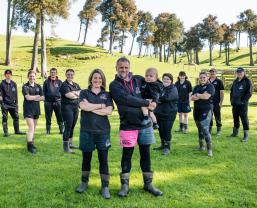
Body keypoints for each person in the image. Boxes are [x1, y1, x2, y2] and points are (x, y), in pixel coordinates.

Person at [110, 57, 163, 197]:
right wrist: (146, 102)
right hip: (128, 125)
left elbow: (155, 86)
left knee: (146, 154)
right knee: (127, 155)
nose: (124, 70)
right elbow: (125, 99)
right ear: (116, 67)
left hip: (145, 125)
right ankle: (124, 186)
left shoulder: (139, 79)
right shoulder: (114, 85)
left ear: (129, 67)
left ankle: (148, 184)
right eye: (121, 67)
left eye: (126, 67)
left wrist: (155, 101)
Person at [75, 69, 113, 199]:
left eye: (100, 78)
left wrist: (91, 107)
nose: (97, 80)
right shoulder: (84, 92)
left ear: (102, 80)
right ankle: (84, 182)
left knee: (103, 159)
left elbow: (109, 111)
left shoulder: (107, 95)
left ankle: (105, 186)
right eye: (95, 78)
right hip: (87, 131)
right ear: (91, 79)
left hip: (103, 132)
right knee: (86, 158)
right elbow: (83, 107)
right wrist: (100, 106)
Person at [191, 72, 215, 157]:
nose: (202, 79)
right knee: (199, 129)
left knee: (205, 129)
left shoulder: (210, 86)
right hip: (196, 110)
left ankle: (209, 149)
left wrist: (198, 95)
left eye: (204, 77)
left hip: (206, 110)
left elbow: (206, 97)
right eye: (201, 77)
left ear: (207, 78)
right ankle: (201, 146)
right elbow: (192, 98)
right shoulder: (196, 87)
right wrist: (200, 95)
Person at [154, 73, 179, 155]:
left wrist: (157, 98)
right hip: (159, 113)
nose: (166, 80)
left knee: (166, 130)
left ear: (171, 80)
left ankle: (167, 147)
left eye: (168, 79)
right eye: (164, 78)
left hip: (169, 113)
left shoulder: (173, 89)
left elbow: (167, 98)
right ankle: (162, 144)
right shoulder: (162, 88)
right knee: (160, 129)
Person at [22, 70, 44, 153]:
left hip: (36, 109)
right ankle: (29, 146)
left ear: (35, 77)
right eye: (30, 76)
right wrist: (37, 96)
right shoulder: (25, 86)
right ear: (28, 77)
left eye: (33, 76)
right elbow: (27, 98)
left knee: (33, 128)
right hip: (28, 109)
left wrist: (34, 97)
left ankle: (32, 143)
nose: (32, 78)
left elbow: (43, 97)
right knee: (31, 127)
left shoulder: (38, 86)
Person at [59, 69, 81, 153]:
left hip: (75, 107)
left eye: (71, 74)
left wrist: (74, 93)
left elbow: (81, 93)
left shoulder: (76, 84)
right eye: (68, 74)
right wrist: (76, 94)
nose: (70, 76)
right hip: (67, 108)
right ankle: (66, 147)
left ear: (73, 75)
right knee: (68, 127)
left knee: (72, 126)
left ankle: (70, 143)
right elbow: (69, 95)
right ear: (66, 75)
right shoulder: (64, 85)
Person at [0, 69, 25, 137]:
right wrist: (2, 104)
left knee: (16, 117)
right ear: (5, 75)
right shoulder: (2, 84)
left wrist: (16, 104)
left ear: (11, 75)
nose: (8, 75)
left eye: (9, 74)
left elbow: (16, 95)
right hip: (5, 104)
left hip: (13, 104)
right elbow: (0, 95)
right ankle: (6, 132)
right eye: (7, 74)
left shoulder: (14, 84)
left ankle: (17, 131)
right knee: (5, 118)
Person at [229, 67, 253, 142]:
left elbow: (249, 92)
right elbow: (232, 91)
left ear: (244, 72)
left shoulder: (247, 81)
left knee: (244, 119)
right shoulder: (235, 81)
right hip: (235, 104)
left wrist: (244, 101)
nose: (239, 73)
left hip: (242, 105)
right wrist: (231, 100)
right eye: (238, 72)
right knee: (235, 118)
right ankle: (235, 133)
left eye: (240, 72)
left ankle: (246, 136)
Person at [43, 68, 64, 135]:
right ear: (50, 73)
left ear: (56, 73)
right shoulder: (46, 82)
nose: (53, 73)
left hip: (58, 102)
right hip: (48, 102)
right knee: (48, 117)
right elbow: (43, 91)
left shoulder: (60, 82)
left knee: (60, 116)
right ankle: (48, 131)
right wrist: (44, 100)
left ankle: (61, 130)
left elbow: (63, 92)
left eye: (54, 72)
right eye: (51, 72)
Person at [209, 68, 224, 135]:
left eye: (213, 73)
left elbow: (222, 92)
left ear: (216, 73)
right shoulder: (207, 81)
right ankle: (209, 130)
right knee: (209, 116)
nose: (212, 74)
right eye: (211, 73)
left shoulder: (219, 81)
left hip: (216, 102)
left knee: (217, 116)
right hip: (208, 102)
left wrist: (221, 102)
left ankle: (219, 130)